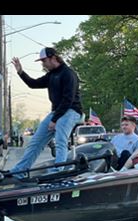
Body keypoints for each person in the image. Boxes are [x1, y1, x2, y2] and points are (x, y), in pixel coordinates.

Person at [10, 47, 83, 175]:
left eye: (44, 61)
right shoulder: (51, 75)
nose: (43, 64)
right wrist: (21, 72)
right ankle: (20, 171)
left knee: (60, 139)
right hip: (57, 112)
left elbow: (68, 99)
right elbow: (33, 84)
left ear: (53, 58)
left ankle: (58, 169)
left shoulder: (68, 74)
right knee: (35, 141)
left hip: (72, 110)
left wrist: (55, 120)